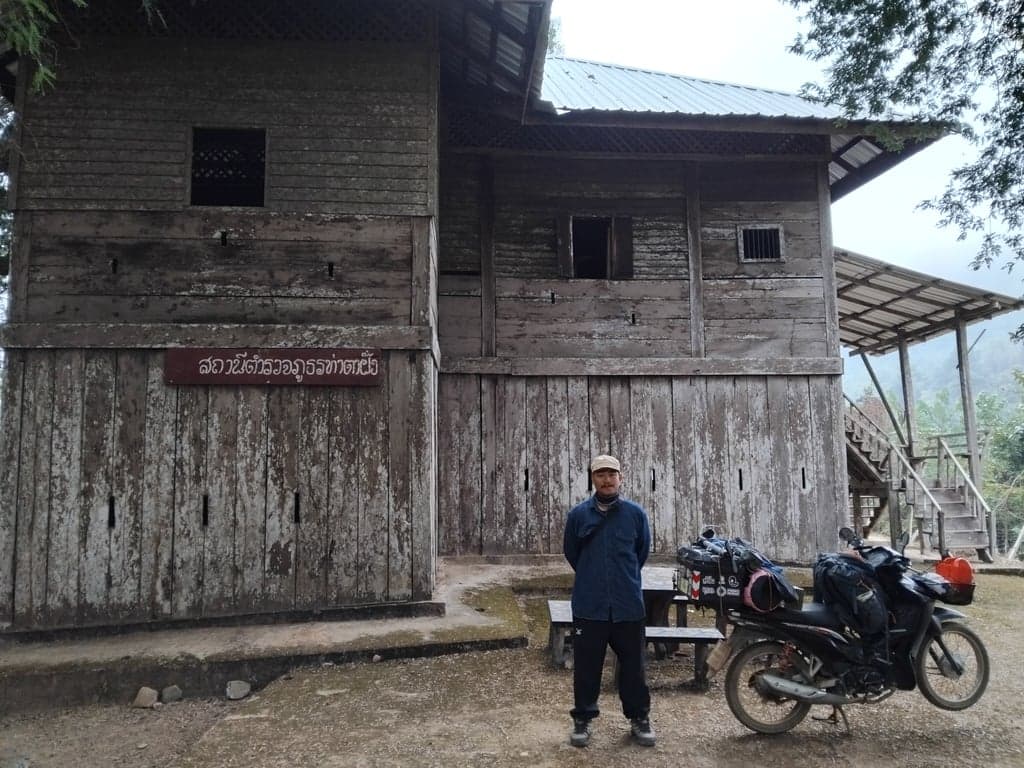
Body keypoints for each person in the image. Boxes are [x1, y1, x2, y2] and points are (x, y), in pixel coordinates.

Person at [562, 454, 655, 748]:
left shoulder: (635, 514)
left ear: (621, 478)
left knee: (634, 668)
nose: (607, 479)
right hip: (590, 606)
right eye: (600, 474)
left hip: (628, 605)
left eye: (612, 474)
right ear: (593, 479)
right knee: (587, 668)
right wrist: (594, 576)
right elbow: (572, 553)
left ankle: (639, 719)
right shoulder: (578, 515)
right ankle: (583, 720)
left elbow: (641, 552)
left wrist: (620, 578)